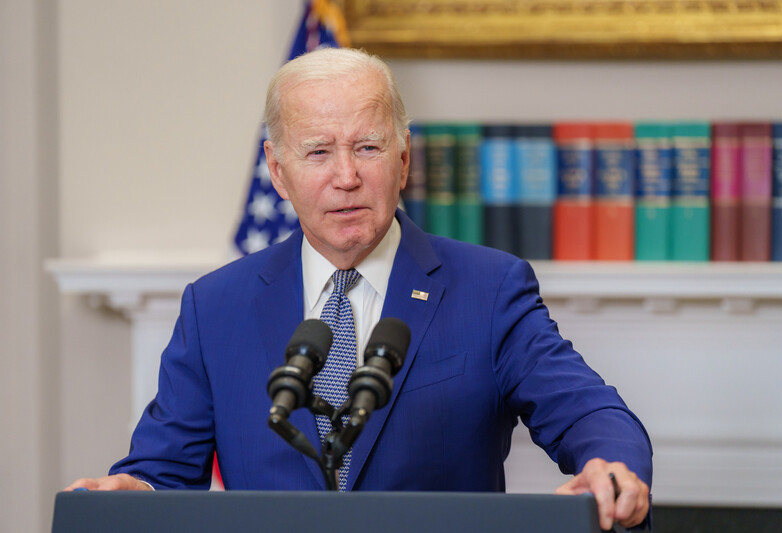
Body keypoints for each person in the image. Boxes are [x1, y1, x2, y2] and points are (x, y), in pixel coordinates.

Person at [66, 47, 652, 530]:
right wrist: (129, 489)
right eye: (318, 151)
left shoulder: (488, 288)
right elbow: (162, 471)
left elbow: (586, 409)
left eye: (367, 147)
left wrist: (613, 467)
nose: (346, 176)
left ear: (402, 160)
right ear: (277, 171)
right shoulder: (215, 305)